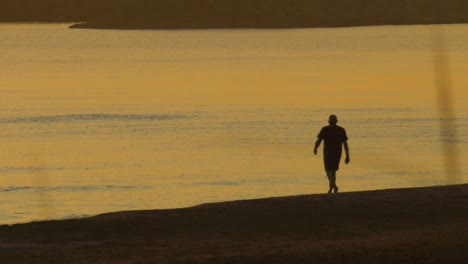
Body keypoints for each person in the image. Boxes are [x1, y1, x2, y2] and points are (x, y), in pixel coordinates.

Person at [314, 115, 350, 194]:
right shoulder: (327, 129)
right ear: (336, 121)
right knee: (329, 171)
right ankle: (334, 187)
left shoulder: (339, 130)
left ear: (329, 121)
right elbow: (345, 144)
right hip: (332, 153)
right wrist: (347, 155)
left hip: (332, 153)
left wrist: (315, 148)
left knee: (331, 171)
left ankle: (331, 189)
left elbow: (345, 143)